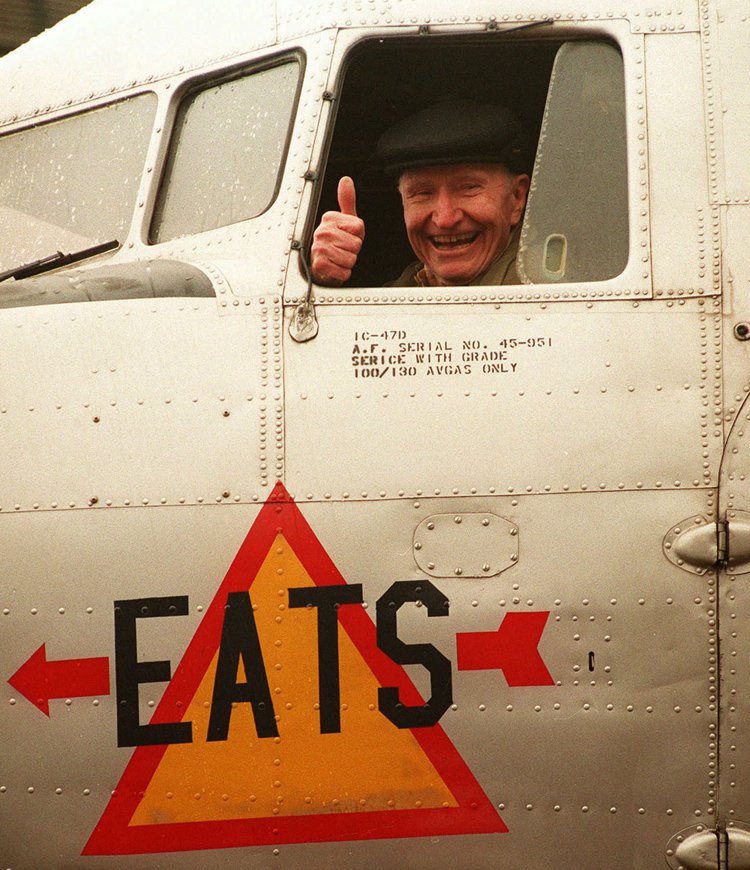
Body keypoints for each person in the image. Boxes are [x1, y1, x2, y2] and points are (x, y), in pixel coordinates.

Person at [310, 100, 531, 288]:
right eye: (423, 193)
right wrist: (322, 282)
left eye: (469, 188)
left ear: (517, 198)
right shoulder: (410, 285)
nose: (445, 219)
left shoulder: (542, 283)